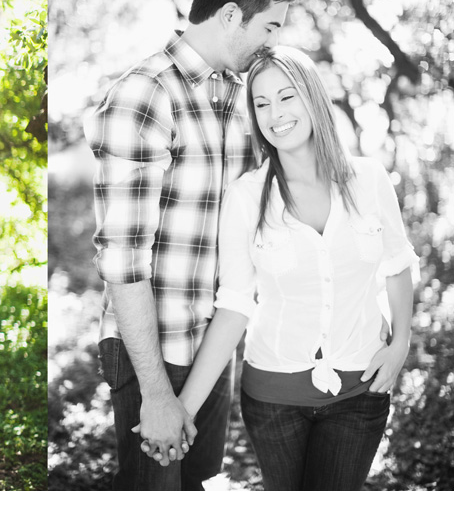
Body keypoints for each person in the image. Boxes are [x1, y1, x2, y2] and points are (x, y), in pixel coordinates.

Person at [84, 0, 300, 490]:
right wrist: (156, 395)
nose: (274, 42)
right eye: (270, 26)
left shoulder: (243, 94)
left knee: (203, 488)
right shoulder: (144, 95)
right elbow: (123, 263)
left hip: (213, 346)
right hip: (152, 351)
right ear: (231, 16)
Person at [174, 46, 418, 490]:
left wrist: (401, 342)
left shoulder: (369, 180)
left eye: (286, 97)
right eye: (261, 103)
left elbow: (398, 263)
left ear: (312, 99)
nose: (274, 113)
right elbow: (233, 306)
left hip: (360, 394)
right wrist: (182, 411)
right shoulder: (246, 197)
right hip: (273, 399)